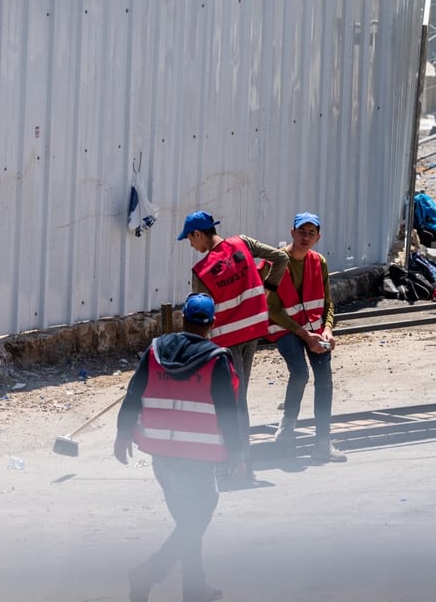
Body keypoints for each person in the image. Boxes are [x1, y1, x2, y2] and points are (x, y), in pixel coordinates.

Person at [114, 293, 242, 602]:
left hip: (162, 453)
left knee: (187, 518)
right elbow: (228, 412)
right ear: (212, 324)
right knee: (196, 519)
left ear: (183, 319)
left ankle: (195, 587)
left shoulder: (155, 351)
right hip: (198, 456)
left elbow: (133, 394)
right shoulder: (216, 359)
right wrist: (237, 455)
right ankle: (148, 573)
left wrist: (122, 435)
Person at [178, 210, 288, 485]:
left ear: (198, 234)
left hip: (226, 342)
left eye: (190, 240)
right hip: (253, 331)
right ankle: (240, 464)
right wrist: (268, 288)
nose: (192, 246)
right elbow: (281, 257)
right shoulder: (243, 243)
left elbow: (200, 317)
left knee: (232, 404)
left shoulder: (201, 272)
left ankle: (238, 466)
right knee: (238, 400)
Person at [265, 212, 347, 463]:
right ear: (292, 232)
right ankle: (286, 430)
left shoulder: (318, 261)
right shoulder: (275, 263)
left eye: (312, 233)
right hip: (285, 329)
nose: (306, 237)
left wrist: (328, 330)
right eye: (302, 231)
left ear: (318, 237)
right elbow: (273, 309)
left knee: (324, 379)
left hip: (314, 327)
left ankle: (322, 441)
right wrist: (305, 335)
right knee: (300, 373)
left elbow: (328, 303)